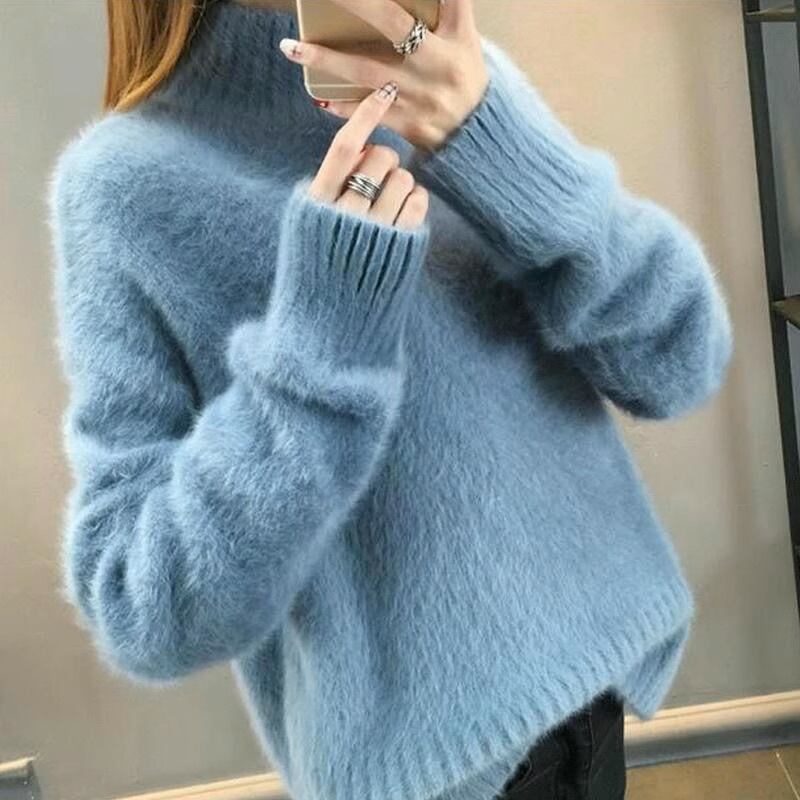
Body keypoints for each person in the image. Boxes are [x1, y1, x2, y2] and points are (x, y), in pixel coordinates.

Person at [46, 1, 734, 799]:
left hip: (598, 691)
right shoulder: (121, 186)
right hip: (441, 777)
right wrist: (320, 344)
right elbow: (139, 610)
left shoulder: (454, 81)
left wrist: (508, 152)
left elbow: (679, 361)